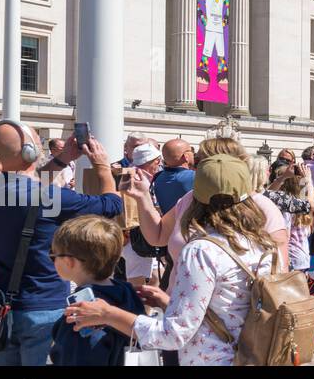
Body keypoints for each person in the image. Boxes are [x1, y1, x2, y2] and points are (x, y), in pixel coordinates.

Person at [64, 155, 276, 366]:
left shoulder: (202, 250)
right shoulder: (263, 243)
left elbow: (173, 334)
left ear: (195, 196)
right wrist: (169, 303)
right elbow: (231, 309)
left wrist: (107, 314)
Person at [0, 120, 122, 366]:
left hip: (3, 308)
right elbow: (112, 205)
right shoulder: (50, 198)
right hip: (45, 307)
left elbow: (28, 186)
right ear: (30, 151)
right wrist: (103, 167)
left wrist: (63, 159)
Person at [129, 137, 290, 263]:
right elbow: (158, 236)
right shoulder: (191, 199)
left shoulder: (262, 206)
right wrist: (142, 196)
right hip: (178, 298)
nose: (195, 168)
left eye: (200, 162)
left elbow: (279, 269)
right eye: (197, 162)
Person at [48, 215, 144, 366]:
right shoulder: (127, 291)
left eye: (53, 255)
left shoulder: (83, 311)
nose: (52, 259)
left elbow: (77, 357)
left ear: (69, 262)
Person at [120, 142, 164, 289]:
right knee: (137, 281)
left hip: (136, 234)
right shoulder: (138, 177)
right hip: (135, 234)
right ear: (156, 161)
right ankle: (134, 310)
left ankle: (144, 310)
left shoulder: (128, 174)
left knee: (155, 278)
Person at [264, 167, 314, 271]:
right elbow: (311, 205)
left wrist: (281, 178)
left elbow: (266, 195)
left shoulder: (286, 208)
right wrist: (307, 180)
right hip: (303, 258)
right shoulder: (301, 207)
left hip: (290, 259)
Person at [152, 139, 196, 214]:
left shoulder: (158, 177)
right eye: (191, 151)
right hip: (188, 223)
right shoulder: (193, 176)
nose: (194, 154)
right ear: (186, 156)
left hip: (168, 223)